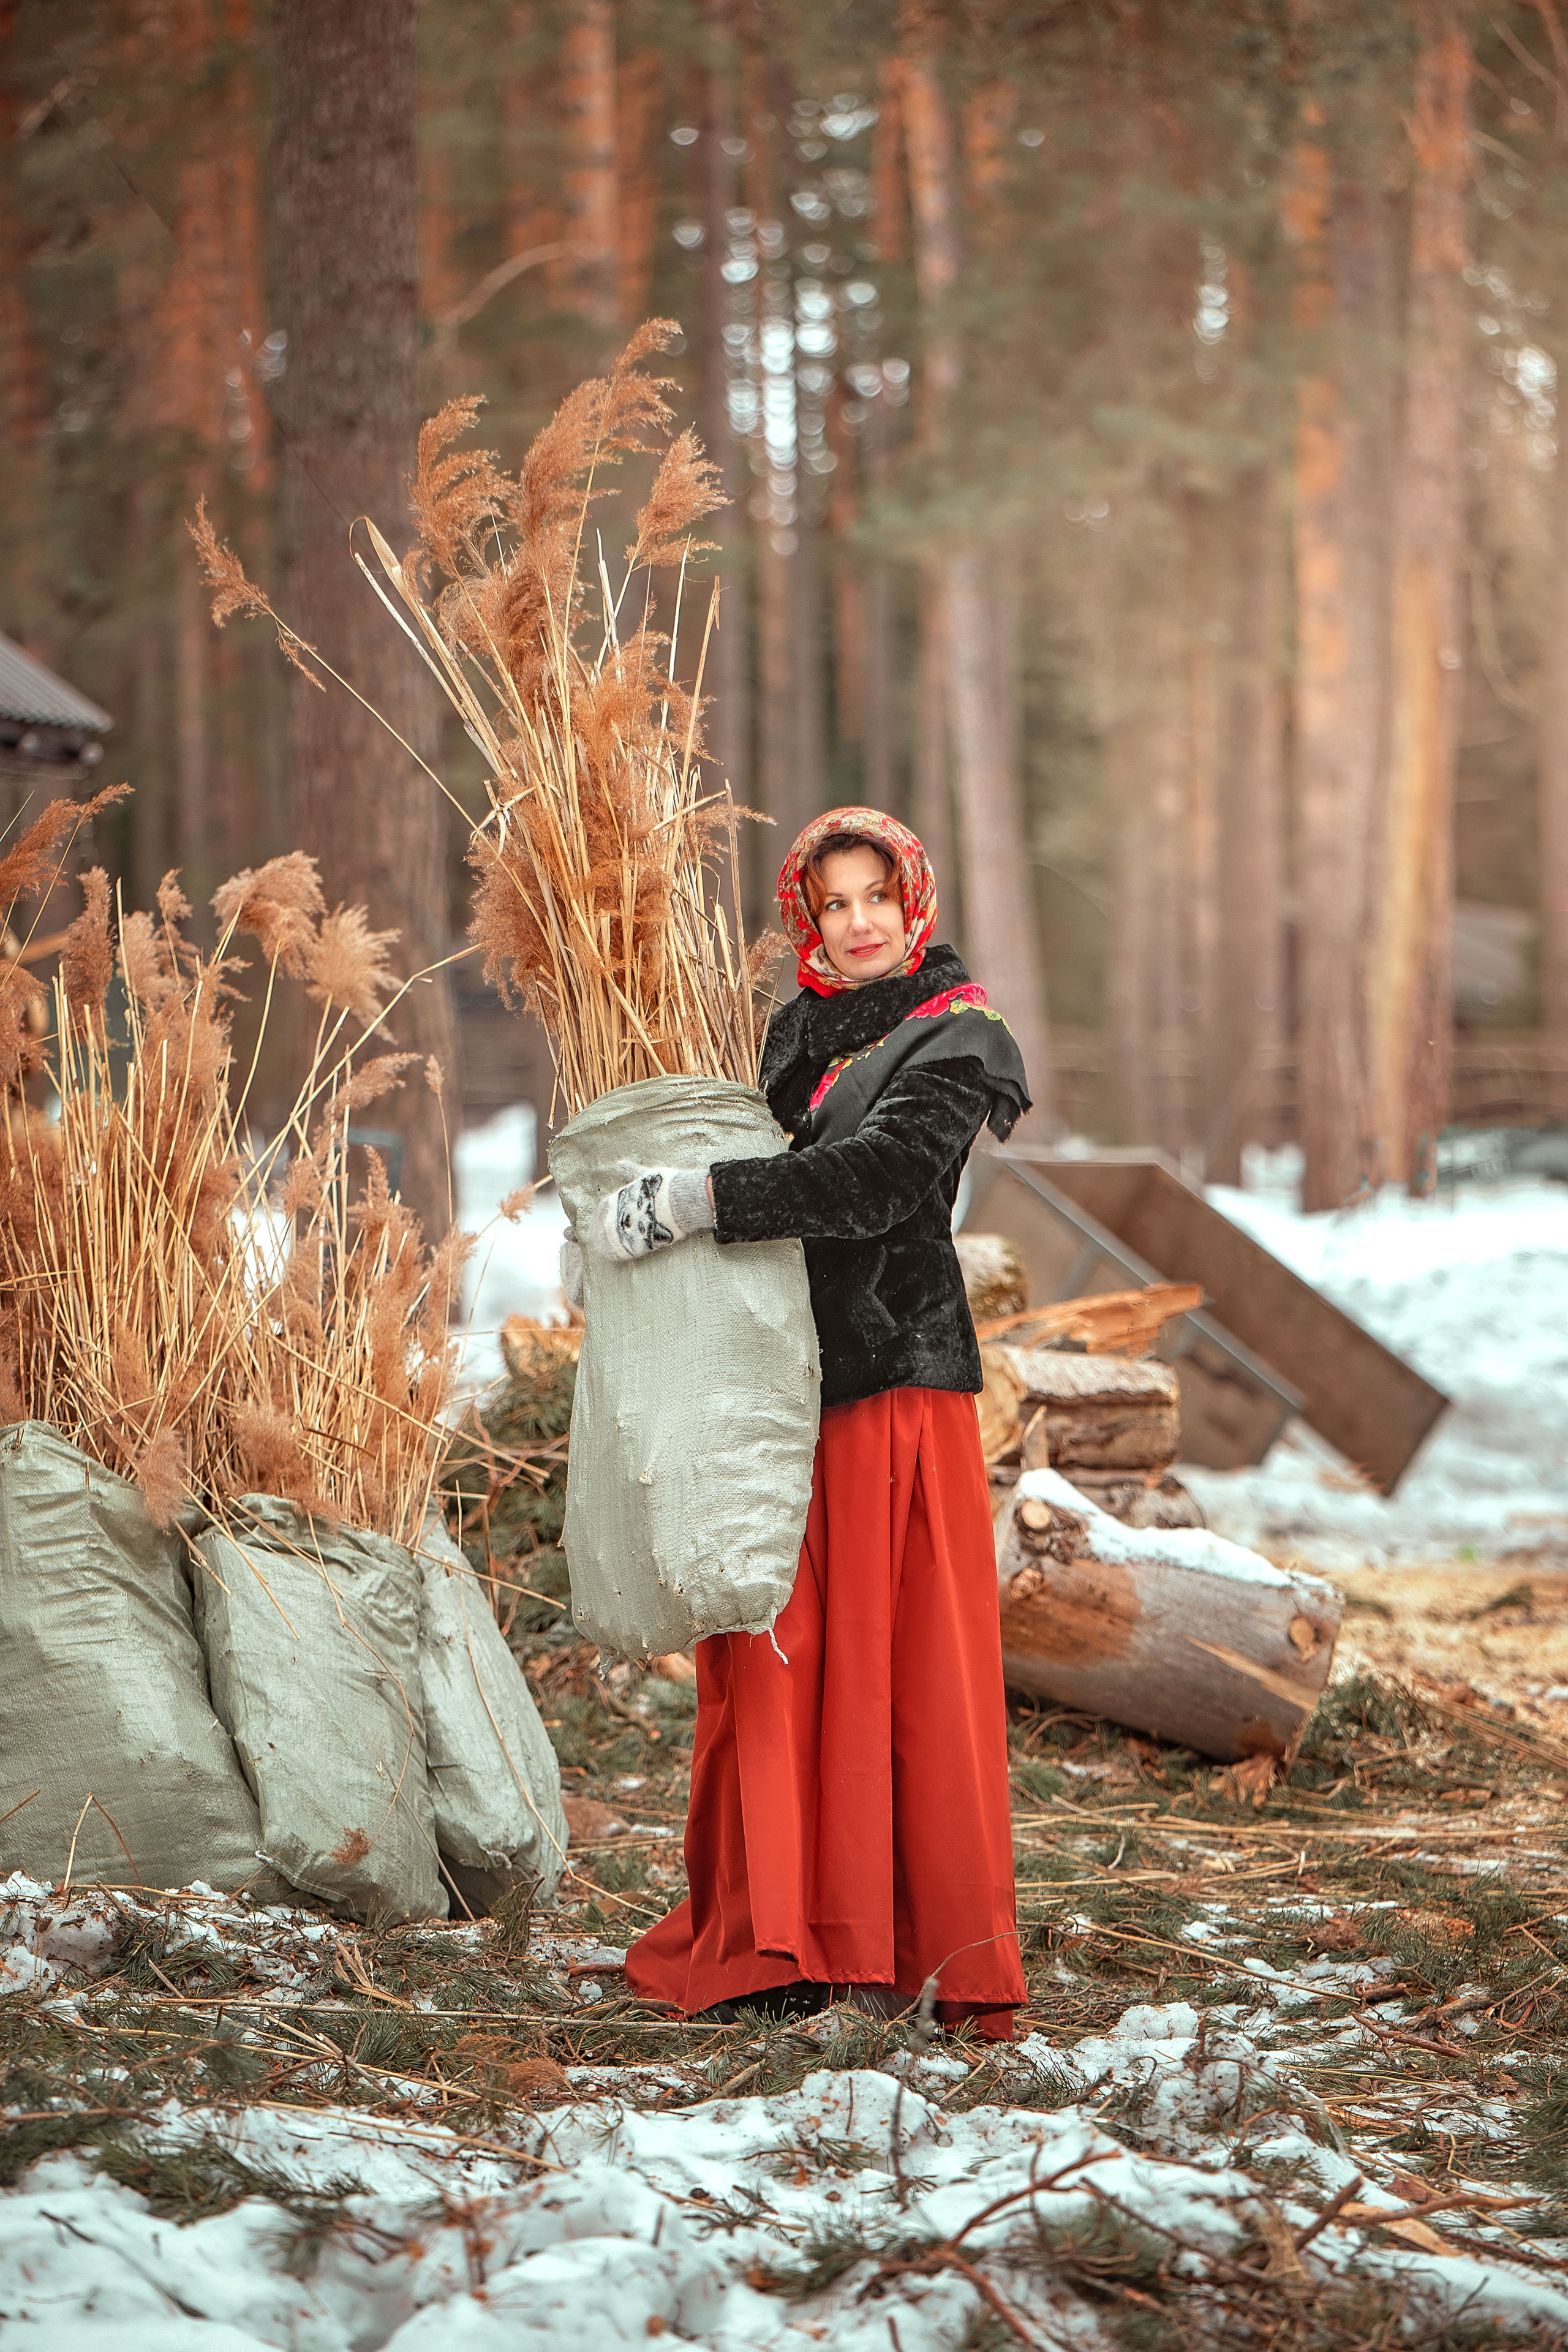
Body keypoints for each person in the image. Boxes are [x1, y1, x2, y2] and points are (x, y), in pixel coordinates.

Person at [585, 806, 1031, 2040]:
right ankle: (780, 1934)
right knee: (780, 1659)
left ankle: (898, 1943)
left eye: (874, 895)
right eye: (831, 903)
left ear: (914, 900)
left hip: (891, 1385)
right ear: (807, 919)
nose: (857, 921)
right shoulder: (800, 1040)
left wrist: (700, 1199)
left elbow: (878, 1186)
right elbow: (768, 1161)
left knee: (888, 1673)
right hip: (778, 1384)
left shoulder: (958, 1036)